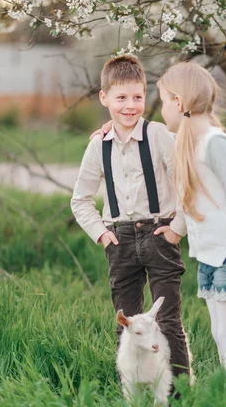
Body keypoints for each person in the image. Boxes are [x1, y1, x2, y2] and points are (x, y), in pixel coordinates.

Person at [71, 55, 190, 383]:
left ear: (145, 96)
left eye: (137, 97)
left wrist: (178, 228)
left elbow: (187, 184)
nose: (130, 105)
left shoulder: (160, 135)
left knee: (168, 321)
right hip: (119, 240)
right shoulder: (98, 146)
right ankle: (133, 389)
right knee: (125, 322)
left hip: (159, 236)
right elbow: (80, 200)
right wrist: (101, 233)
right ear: (104, 98)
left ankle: (179, 393)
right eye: (121, 98)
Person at [154, 61, 226, 407]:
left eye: (160, 101)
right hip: (209, 256)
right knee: (220, 334)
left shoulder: (217, 143)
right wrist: (176, 231)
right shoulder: (187, 144)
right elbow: (190, 200)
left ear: (177, 100)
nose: (159, 109)